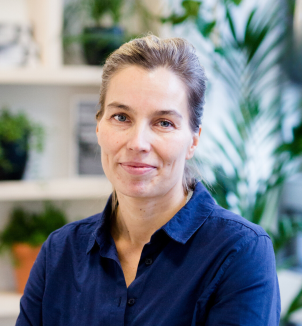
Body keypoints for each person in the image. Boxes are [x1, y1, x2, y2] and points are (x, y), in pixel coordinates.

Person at [16, 35, 280, 326]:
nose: (138, 143)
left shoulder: (240, 251)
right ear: (99, 127)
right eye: (121, 117)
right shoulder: (60, 252)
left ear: (193, 140)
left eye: (164, 122)